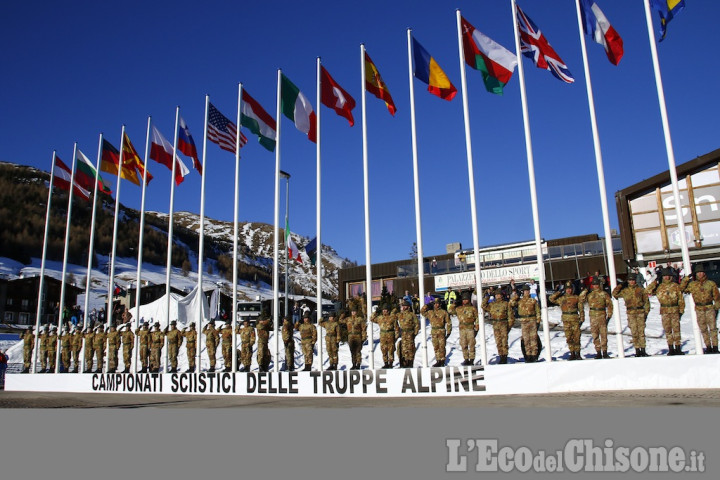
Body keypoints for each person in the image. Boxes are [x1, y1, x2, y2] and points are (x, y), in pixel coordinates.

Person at [680, 264, 720, 354]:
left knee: (713, 328)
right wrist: (686, 279)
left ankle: (715, 347)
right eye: (698, 273)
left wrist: (716, 309)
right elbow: (681, 289)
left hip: (709, 308)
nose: (700, 274)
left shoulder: (711, 284)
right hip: (699, 309)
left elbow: (717, 298)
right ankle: (708, 347)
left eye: (701, 272)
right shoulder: (693, 285)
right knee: (703, 329)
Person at [646, 268, 685, 355]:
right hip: (664, 311)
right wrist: (655, 282)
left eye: (668, 275)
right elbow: (647, 290)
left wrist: (681, 311)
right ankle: (671, 348)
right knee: (667, 330)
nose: (666, 277)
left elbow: (681, 299)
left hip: (674, 310)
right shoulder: (659, 287)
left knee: (676, 330)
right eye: (664, 276)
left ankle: (678, 348)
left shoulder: (675, 286)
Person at [612, 277, 650, 357]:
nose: (632, 282)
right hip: (631, 313)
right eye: (630, 280)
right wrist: (621, 285)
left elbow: (646, 302)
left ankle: (643, 350)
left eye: (633, 280)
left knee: (641, 332)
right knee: (634, 332)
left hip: (640, 312)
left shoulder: (640, 290)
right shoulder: (625, 291)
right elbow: (614, 293)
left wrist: (646, 313)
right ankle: (637, 350)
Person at [549, 281, 585, 361]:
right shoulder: (562, 299)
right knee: (569, 337)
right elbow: (551, 298)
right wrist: (559, 292)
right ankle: (572, 353)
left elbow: (581, 309)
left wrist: (582, 318)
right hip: (566, 319)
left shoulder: (576, 297)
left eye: (570, 289)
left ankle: (578, 353)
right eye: (567, 289)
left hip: (575, 318)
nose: (568, 290)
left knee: (577, 336)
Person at [580, 278, 613, 359]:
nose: (595, 286)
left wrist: (609, 315)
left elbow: (610, 305)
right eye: (594, 285)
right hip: (593, 316)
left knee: (603, 334)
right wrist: (586, 290)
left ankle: (604, 351)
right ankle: (598, 351)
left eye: (597, 284)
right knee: (595, 334)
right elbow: (581, 299)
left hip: (602, 315)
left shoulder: (604, 294)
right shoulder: (590, 295)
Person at [482, 289, 514, 364]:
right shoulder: (492, 304)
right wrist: (488, 297)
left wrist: (509, 326)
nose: (498, 296)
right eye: (496, 295)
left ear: (501, 295)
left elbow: (511, 316)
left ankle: (505, 356)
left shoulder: (506, 304)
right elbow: (483, 306)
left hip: (503, 324)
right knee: (498, 342)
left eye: (499, 294)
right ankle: (501, 356)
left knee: (504, 342)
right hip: (496, 324)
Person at [510, 285, 541, 363]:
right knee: (526, 339)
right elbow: (511, 303)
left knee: (533, 339)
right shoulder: (520, 301)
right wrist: (516, 296)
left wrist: (538, 320)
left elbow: (537, 311)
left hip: (532, 320)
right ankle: (528, 355)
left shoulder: (533, 300)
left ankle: (534, 355)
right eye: (525, 291)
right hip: (524, 321)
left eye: (527, 290)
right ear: (523, 292)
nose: (526, 292)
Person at [449, 292, 479, 366]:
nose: (464, 301)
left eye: (466, 299)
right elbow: (450, 311)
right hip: (462, 329)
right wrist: (454, 304)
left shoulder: (473, 309)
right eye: (463, 300)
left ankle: (471, 360)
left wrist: (477, 325)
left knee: (471, 344)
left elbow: (477, 317)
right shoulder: (459, 309)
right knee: (463, 344)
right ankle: (466, 359)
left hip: (470, 328)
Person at [421, 298, 452, 367]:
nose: (436, 305)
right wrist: (427, 305)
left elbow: (448, 322)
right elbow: (422, 312)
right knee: (436, 346)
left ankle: (442, 360)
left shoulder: (444, 312)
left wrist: (449, 331)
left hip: (441, 330)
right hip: (434, 331)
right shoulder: (430, 312)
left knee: (442, 346)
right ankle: (438, 360)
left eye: (437, 303)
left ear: (440, 304)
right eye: (435, 303)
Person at [371, 304, 399, 369]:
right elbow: (371, 318)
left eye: (386, 310)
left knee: (391, 350)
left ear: (388, 310)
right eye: (383, 310)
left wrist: (396, 337)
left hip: (391, 335)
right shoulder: (380, 318)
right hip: (383, 336)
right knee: (384, 350)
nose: (384, 311)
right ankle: (385, 363)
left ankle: (391, 363)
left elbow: (397, 328)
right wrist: (376, 312)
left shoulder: (392, 318)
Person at [396, 300, 420, 368]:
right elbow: (393, 319)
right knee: (402, 349)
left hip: (410, 334)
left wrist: (415, 333)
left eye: (405, 306)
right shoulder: (400, 315)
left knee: (410, 349)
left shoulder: (412, 315)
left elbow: (417, 324)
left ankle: (410, 364)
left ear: (408, 307)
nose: (403, 307)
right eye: (403, 306)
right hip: (403, 334)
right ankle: (403, 363)